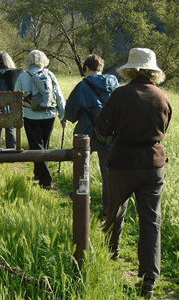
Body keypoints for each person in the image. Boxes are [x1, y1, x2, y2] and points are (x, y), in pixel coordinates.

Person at [95, 48, 172, 298]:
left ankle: (110, 255)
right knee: (151, 220)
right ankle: (149, 277)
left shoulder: (120, 95)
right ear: (153, 71)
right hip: (153, 164)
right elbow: (164, 128)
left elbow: (102, 128)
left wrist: (111, 137)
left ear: (131, 69)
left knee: (115, 210)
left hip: (122, 161)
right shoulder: (162, 97)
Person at [65, 54, 119, 215]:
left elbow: (71, 114)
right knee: (107, 170)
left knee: (82, 167)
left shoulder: (82, 86)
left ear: (87, 68)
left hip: (86, 132)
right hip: (109, 132)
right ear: (101, 68)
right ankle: (108, 207)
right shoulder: (114, 83)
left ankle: (82, 199)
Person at [14, 50, 66, 189]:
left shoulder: (23, 76)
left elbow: (15, 98)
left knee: (36, 146)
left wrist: (16, 117)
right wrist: (62, 115)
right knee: (44, 146)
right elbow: (59, 95)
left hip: (31, 115)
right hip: (49, 114)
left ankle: (47, 180)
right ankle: (38, 173)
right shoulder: (49, 74)